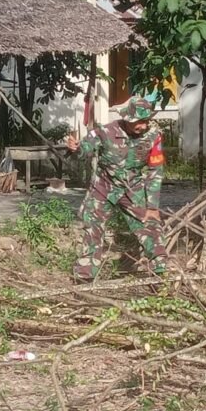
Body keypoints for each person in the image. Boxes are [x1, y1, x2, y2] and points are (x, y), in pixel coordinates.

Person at [66, 95, 167, 281]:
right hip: (103, 187)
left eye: (146, 121)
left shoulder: (153, 137)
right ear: (127, 119)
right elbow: (84, 152)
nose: (143, 126)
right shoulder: (105, 132)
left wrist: (152, 207)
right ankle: (84, 277)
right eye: (138, 121)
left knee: (150, 225)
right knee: (92, 228)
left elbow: (155, 171)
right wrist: (75, 149)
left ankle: (161, 274)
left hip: (132, 189)